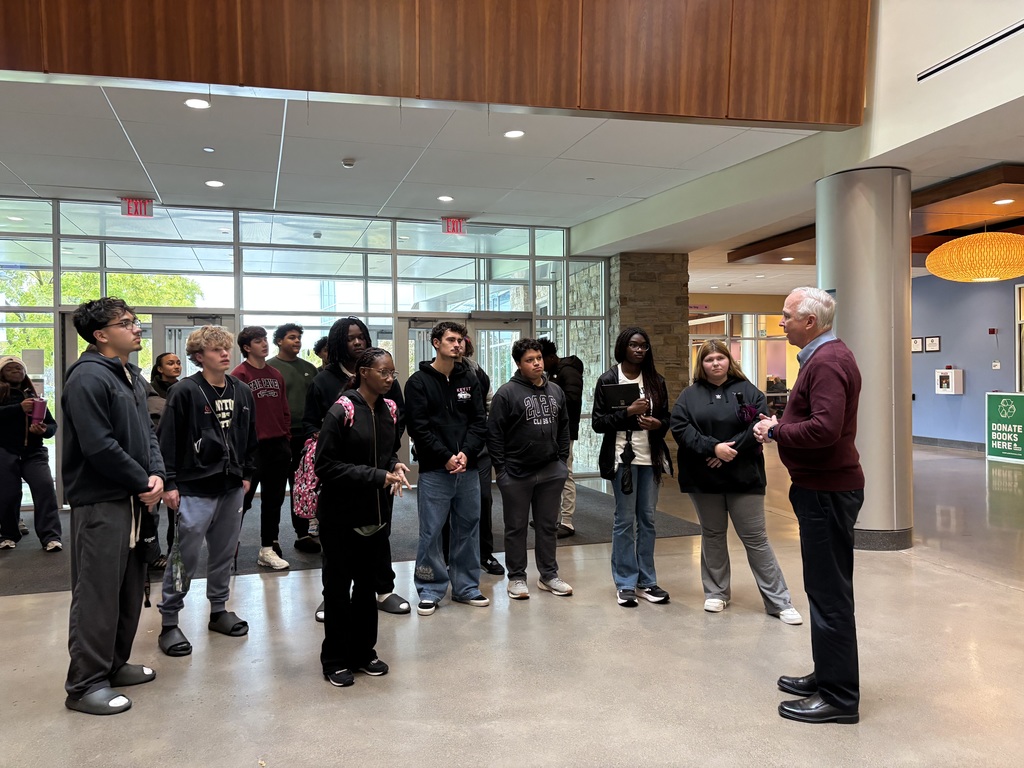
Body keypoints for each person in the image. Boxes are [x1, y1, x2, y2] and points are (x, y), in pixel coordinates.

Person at [753, 287, 864, 725]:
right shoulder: (824, 358)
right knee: (822, 590)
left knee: (830, 595)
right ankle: (828, 675)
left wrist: (776, 433)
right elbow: (818, 421)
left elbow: (825, 430)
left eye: (786, 316)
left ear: (810, 322)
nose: (780, 322)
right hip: (821, 489)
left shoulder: (829, 362)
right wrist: (784, 423)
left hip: (827, 491)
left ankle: (839, 697)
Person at [61, 297, 165, 716]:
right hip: (102, 501)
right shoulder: (87, 378)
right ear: (101, 335)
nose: (137, 327)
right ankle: (84, 685)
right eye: (127, 323)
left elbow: (148, 435)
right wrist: (142, 480)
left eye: (135, 320)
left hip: (135, 498)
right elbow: (98, 446)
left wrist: (157, 475)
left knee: (127, 589)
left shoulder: (130, 376)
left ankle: (113, 664)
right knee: (97, 594)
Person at [670, 339, 801, 624]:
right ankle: (716, 592)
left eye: (720, 357)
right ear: (701, 364)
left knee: (756, 538)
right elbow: (680, 428)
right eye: (709, 359)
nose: (715, 363)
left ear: (729, 360)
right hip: (704, 478)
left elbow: (759, 425)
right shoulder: (689, 396)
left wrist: (729, 451)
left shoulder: (749, 391)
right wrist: (712, 449)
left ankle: (779, 601)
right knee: (713, 535)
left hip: (744, 476)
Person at [156, 326, 257, 658]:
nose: (225, 354)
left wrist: (246, 475)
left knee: (225, 552)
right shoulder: (185, 391)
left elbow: (249, 436)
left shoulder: (241, 390)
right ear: (199, 357)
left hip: (231, 487)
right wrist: (169, 483)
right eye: (216, 350)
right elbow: (167, 439)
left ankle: (218, 609)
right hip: (194, 488)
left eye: (226, 349)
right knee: (185, 555)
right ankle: (170, 621)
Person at [314, 348, 411, 687]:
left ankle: (364, 653)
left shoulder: (390, 409)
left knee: (368, 588)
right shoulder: (343, 410)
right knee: (338, 590)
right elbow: (325, 466)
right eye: (384, 372)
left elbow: (385, 454)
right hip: (340, 517)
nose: (389, 379)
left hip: (376, 515)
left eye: (393, 374)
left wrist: (392, 466)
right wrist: (376, 476)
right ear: (364, 371)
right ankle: (335, 660)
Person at [304, 317, 411, 617]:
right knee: (339, 547)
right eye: (350, 337)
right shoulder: (324, 381)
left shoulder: (387, 383)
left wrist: (389, 458)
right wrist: (327, 434)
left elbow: (396, 417)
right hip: (344, 482)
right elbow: (312, 423)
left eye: (361, 336)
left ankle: (383, 589)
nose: (358, 341)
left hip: (378, 477)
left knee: (379, 535)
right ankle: (334, 595)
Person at [404, 321, 488, 616]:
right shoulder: (417, 382)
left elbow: (479, 421)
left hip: (468, 468)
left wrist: (465, 453)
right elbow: (419, 428)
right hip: (434, 470)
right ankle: (430, 589)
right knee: (432, 531)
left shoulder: (470, 379)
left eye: (460, 340)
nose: (457, 344)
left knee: (467, 528)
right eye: (451, 340)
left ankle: (466, 587)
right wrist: (445, 457)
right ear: (436, 343)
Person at [591, 327, 672, 608]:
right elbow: (598, 423)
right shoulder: (609, 379)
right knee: (624, 520)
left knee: (648, 519)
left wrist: (658, 424)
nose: (639, 350)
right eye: (634, 345)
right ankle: (625, 582)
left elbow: (667, 418)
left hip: (650, 459)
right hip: (621, 460)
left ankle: (647, 581)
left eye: (644, 346)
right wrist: (627, 413)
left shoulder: (655, 381)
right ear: (623, 347)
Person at [488, 339, 572, 600]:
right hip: (516, 473)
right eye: (529, 360)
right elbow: (494, 434)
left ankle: (548, 575)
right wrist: (501, 471)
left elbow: (564, 426)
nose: (536, 363)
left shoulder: (556, 391)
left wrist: (561, 461)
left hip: (550, 471)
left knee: (547, 526)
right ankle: (517, 578)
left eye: (538, 358)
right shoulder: (507, 393)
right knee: (516, 527)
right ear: (518, 364)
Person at [231, 326, 292, 571]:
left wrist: (286, 437)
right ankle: (228, 546)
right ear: (247, 347)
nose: (265, 344)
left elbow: (284, 409)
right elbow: (236, 416)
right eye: (258, 341)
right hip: (252, 448)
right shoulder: (239, 375)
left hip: (278, 445)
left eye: (265, 340)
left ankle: (267, 549)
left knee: (273, 500)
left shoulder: (275, 374)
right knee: (242, 501)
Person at [267, 323, 320, 554]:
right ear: (279, 341)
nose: (297, 341)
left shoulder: (310, 369)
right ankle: (272, 539)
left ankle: (302, 534)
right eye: (291, 337)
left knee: (302, 488)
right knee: (276, 490)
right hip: (280, 437)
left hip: (305, 437)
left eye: (299, 338)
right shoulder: (269, 368)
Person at [0, 355, 61, 551]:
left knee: (44, 488)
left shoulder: (33, 395)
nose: (17, 371)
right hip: (5, 451)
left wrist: (44, 430)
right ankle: (8, 535)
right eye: (11, 368)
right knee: (8, 494)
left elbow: (52, 425)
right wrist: (18, 408)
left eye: (20, 368)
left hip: (34, 453)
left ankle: (51, 536)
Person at [540, 338, 584, 538]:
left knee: (565, 474)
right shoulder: (550, 373)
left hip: (564, 432)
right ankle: (552, 517)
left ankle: (567, 521)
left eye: (542, 358)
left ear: (551, 357)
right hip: (548, 431)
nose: (539, 363)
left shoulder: (568, 371)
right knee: (550, 476)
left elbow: (572, 400)